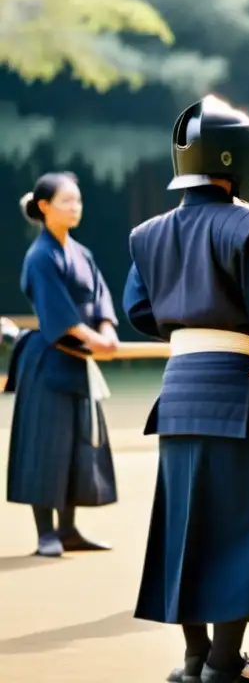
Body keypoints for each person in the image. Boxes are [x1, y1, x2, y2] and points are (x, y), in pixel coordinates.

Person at [123, 94, 249, 683]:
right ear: (239, 159)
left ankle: (194, 660)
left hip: (179, 392)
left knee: (187, 526)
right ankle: (222, 664)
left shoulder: (148, 234)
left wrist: (191, 326)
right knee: (242, 525)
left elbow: (141, 310)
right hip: (239, 393)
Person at [5, 172, 119, 558]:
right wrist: (95, 339)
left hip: (80, 362)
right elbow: (60, 316)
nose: (75, 208)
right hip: (49, 361)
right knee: (46, 446)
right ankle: (46, 534)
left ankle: (69, 529)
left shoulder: (81, 253)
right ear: (44, 206)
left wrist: (107, 330)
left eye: (78, 201)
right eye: (67, 201)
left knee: (77, 444)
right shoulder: (41, 256)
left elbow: (101, 298)